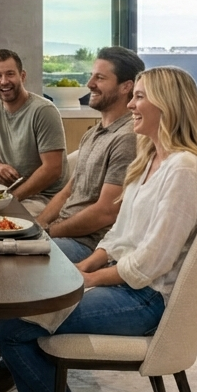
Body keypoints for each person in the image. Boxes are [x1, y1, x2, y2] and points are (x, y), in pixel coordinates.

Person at [0, 66, 197, 392]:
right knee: (11, 311)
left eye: (140, 97)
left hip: (145, 300)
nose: (131, 105)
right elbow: (120, 235)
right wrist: (83, 266)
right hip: (124, 286)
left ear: (167, 105)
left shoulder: (185, 169)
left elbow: (151, 263)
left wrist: (88, 279)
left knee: (9, 327)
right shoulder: (150, 159)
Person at [35, 47, 144, 263]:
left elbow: (106, 212)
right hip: (62, 234)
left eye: (100, 78)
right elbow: (68, 192)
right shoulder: (93, 133)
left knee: (13, 261)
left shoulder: (127, 138)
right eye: (92, 76)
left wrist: (49, 232)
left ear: (126, 86)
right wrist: (37, 227)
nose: (90, 84)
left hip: (88, 245)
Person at [0, 48, 70, 215]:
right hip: (10, 192)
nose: (4, 81)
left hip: (45, 198)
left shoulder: (44, 111)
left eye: (10, 74)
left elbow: (53, 169)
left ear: (22, 76)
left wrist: (12, 198)